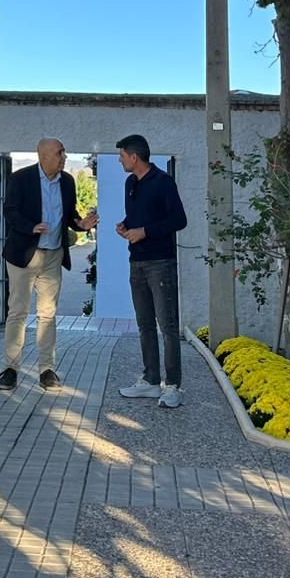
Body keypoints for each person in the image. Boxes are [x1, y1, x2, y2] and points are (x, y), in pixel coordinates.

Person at [0, 138, 98, 391]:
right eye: (59, 153)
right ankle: (10, 368)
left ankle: (47, 370)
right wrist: (30, 227)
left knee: (47, 314)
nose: (64, 157)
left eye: (64, 153)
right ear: (42, 156)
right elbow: (10, 211)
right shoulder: (21, 179)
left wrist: (81, 225)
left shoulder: (67, 181)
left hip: (53, 255)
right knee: (17, 312)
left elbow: (70, 214)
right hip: (24, 255)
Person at [113, 133, 188, 408]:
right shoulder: (130, 183)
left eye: (122, 155)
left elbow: (179, 220)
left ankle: (174, 386)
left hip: (160, 263)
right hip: (137, 262)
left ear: (134, 156)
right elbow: (139, 217)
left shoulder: (163, 183)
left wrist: (144, 231)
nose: (120, 160)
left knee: (167, 326)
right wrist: (126, 225)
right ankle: (151, 380)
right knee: (144, 324)